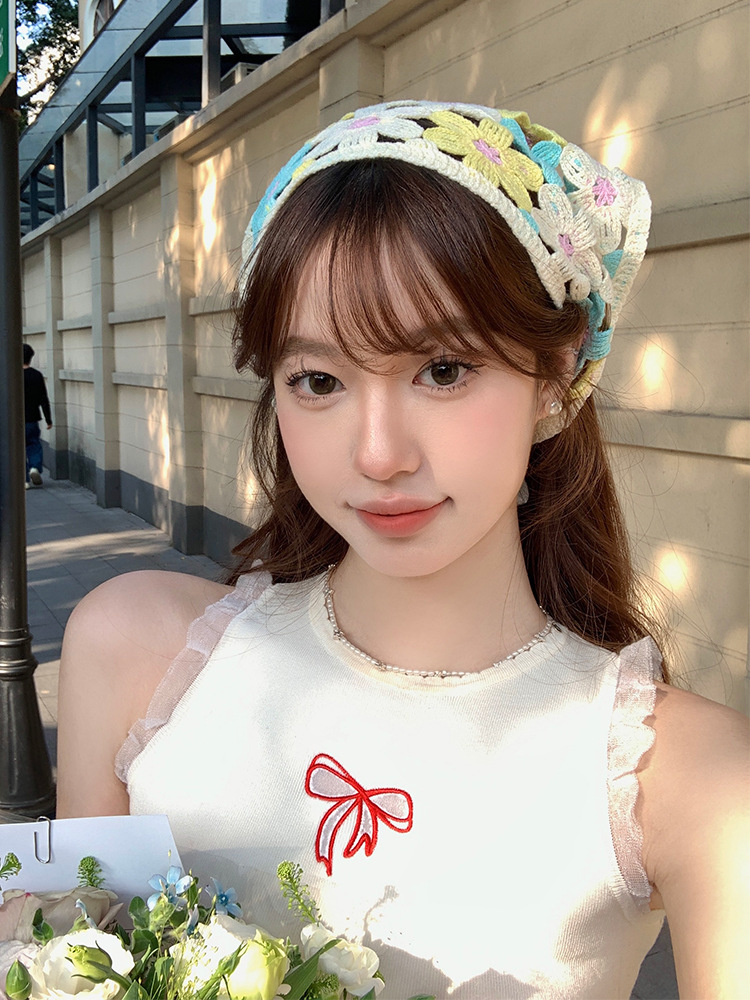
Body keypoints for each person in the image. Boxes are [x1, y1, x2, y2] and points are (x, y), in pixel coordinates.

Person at [57, 101, 749, 998]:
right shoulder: (136, 653)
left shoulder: (693, 781)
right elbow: (59, 952)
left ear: (557, 370)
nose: (380, 455)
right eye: (318, 380)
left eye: (443, 370)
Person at [22, 342, 52, 489]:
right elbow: (43, 399)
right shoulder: (37, 375)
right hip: (32, 418)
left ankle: (24, 480)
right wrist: (48, 419)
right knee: (34, 444)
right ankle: (34, 468)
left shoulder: (10, 376)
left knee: (17, 450)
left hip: (14, 420)